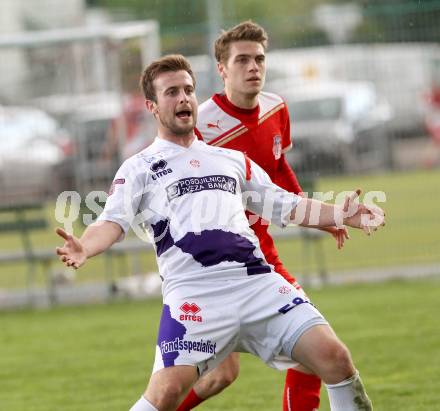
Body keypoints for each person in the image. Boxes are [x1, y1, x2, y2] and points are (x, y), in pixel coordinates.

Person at [56, 54, 384, 411]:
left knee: (335, 359)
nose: (183, 98)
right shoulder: (139, 167)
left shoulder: (229, 160)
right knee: (166, 394)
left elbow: (284, 204)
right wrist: (85, 247)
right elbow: (111, 223)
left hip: (257, 284)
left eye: (188, 90)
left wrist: (341, 214)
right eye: (171, 92)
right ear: (151, 105)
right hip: (196, 295)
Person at [179, 21, 347, 411]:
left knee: (313, 352)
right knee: (219, 375)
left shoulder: (276, 107)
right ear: (222, 69)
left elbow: (278, 167)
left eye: (259, 58)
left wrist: (317, 215)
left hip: (261, 251)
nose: (253, 66)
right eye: (242, 60)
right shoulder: (200, 124)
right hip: (210, 262)